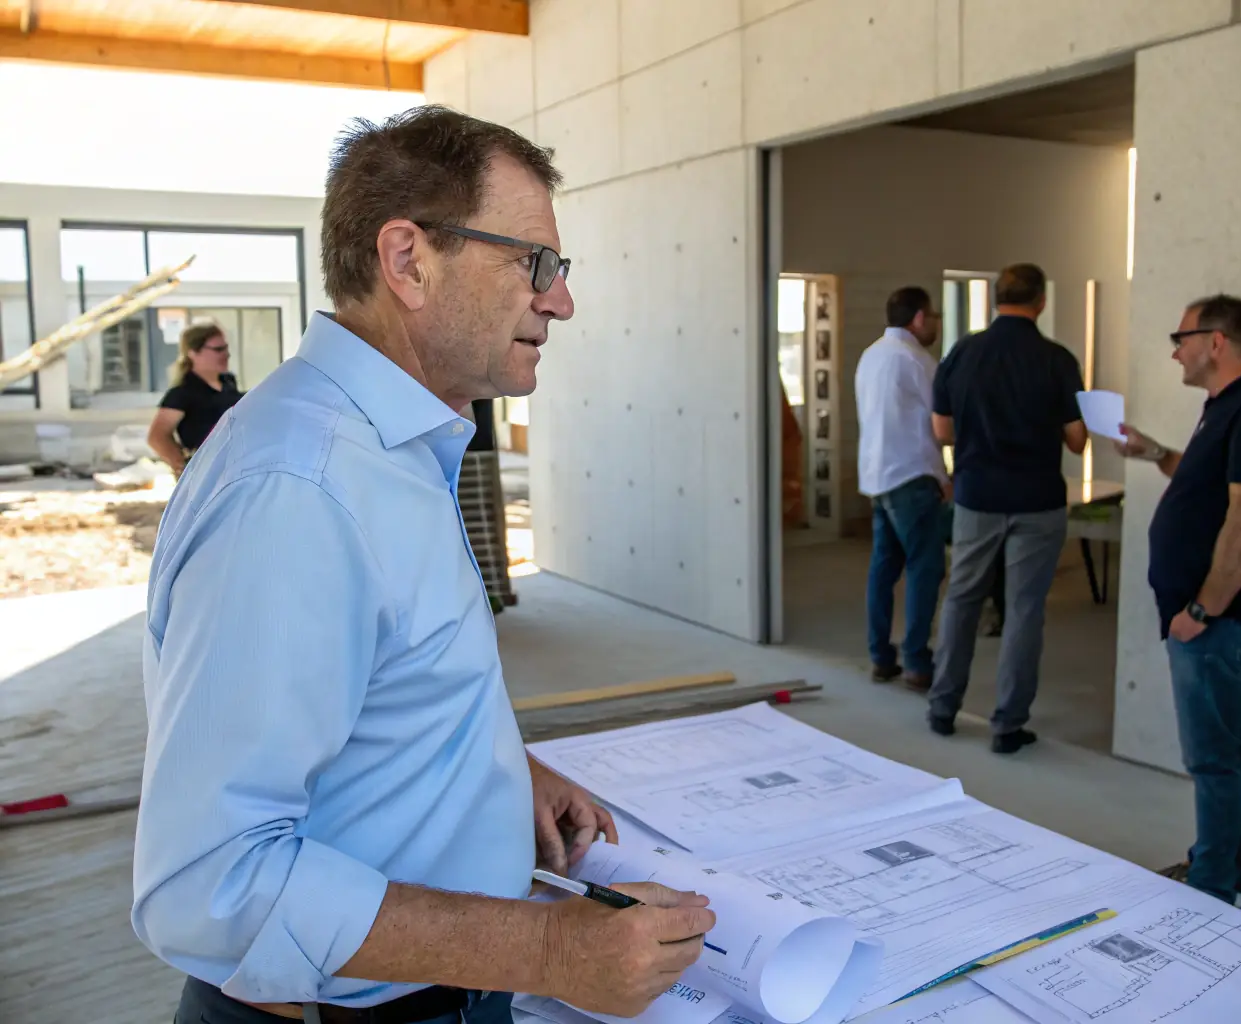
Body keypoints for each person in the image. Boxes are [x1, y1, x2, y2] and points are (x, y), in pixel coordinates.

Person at [133, 106, 715, 1024]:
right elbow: (211, 886)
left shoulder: (392, 448)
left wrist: (491, 771)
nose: (559, 300)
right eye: (534, 264)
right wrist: (552, 948)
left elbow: (366, 684)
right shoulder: (299, 490)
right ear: (407, 260)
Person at [1116, 294, 1241, 909]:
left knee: (1213, 758)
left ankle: (1213, 891)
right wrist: (1152, 452)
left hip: (1222, 621)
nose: (1175, 349)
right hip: (1217, 618)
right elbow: (1207, 487)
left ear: (1217, 342)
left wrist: (1200, 611)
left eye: (1182, 337)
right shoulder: (1231, 407)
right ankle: (1224, 869)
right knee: (1226, 750)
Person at [926, 264, 1087, 753]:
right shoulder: (1056, 359)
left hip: (977, 494)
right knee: (1023, 610)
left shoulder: (962, 353)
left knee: (962, 599)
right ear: (1040, 301)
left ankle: (942, 708)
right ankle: (1007, 725)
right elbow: (1078, 440)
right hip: (1037, 500)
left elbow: (942, 432)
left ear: (998, 299)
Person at [853, 286, 950, 690]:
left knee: (883, 568)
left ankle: (880, 656)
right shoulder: (917, 361)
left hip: (877, 476)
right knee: (925, 569)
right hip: (912, 476)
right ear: (919, 319)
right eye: (934, 316)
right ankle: (916, 661)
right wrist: (945, 478)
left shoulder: (870, 355)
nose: (936, 325)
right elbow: (940, 425)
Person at [146, 322, 244, 476]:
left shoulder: (228, 383)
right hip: (208, 475)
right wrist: (184, 467)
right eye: (218, 349)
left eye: (226, 348)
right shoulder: (183, 392)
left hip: (236, 467)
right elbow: (157, 436)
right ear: (193, 352)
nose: (226, 354)